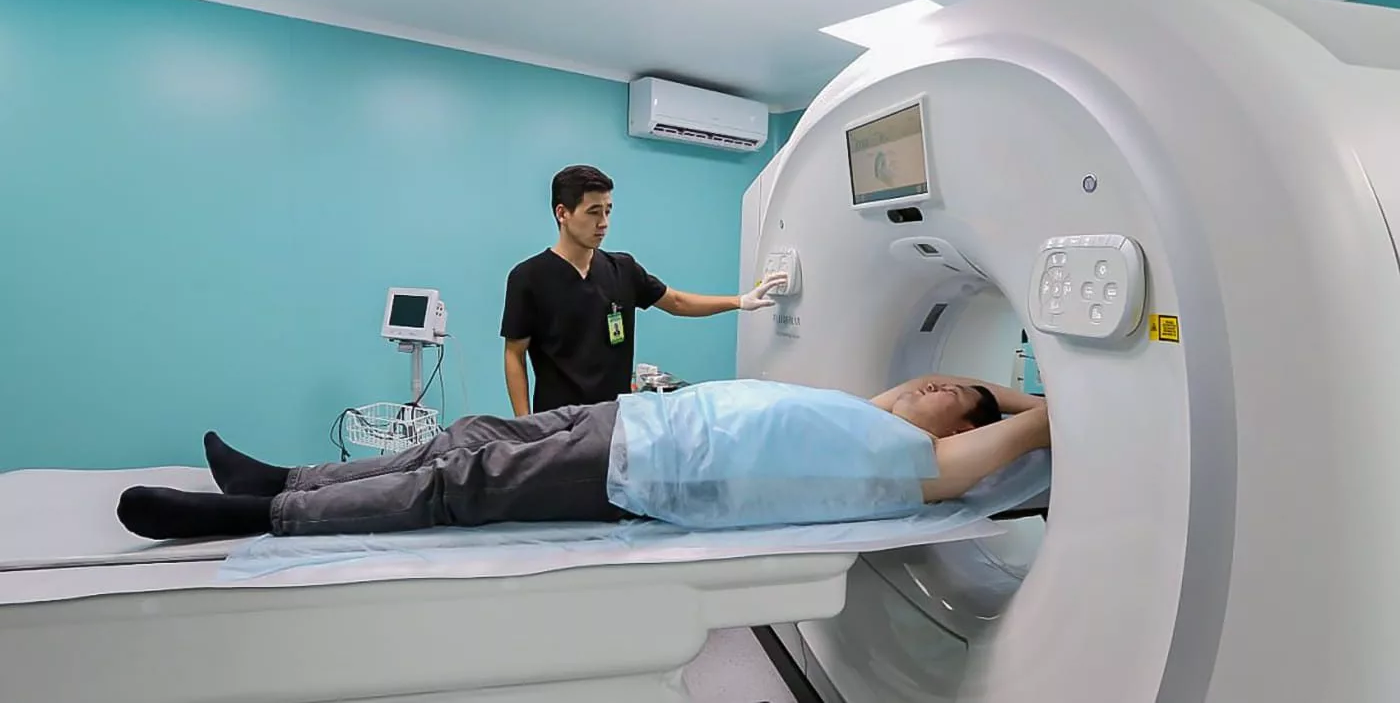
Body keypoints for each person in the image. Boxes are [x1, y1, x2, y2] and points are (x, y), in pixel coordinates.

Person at [115, 374, 1049, 541]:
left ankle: (257, 514)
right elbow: (922, 389)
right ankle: (288, 476)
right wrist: (952, 395)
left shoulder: (921, 467)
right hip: (632, 418)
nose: (935, 383)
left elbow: (1034, 421)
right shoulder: (865, 415)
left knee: (458, 485)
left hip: (650, 470)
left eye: (953, 393)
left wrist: (1006, 405)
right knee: (464, 435)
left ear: (961, 430)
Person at [501, 164, 787, 416]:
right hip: (558, 423)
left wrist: (740, 301)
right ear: (562, 213)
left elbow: (677, 302)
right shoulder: (528, 278)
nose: (603, 223)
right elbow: (514, 353)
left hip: (616, 419)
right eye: (593, 212)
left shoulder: (623, 269)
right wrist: (526, 424)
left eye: (608, 211)